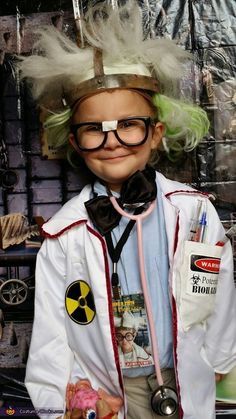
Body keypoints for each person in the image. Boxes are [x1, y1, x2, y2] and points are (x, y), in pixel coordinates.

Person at [18, 2, 236, 419]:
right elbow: (50, 334)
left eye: (129, 125)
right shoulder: (65, 236)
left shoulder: (195, 214)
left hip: (183, 376)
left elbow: (219, 295)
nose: (112, 141)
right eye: (93, 131)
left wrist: (219, 360)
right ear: (76, 143)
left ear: (156, 133)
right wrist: (66, 396)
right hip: (114, 392)